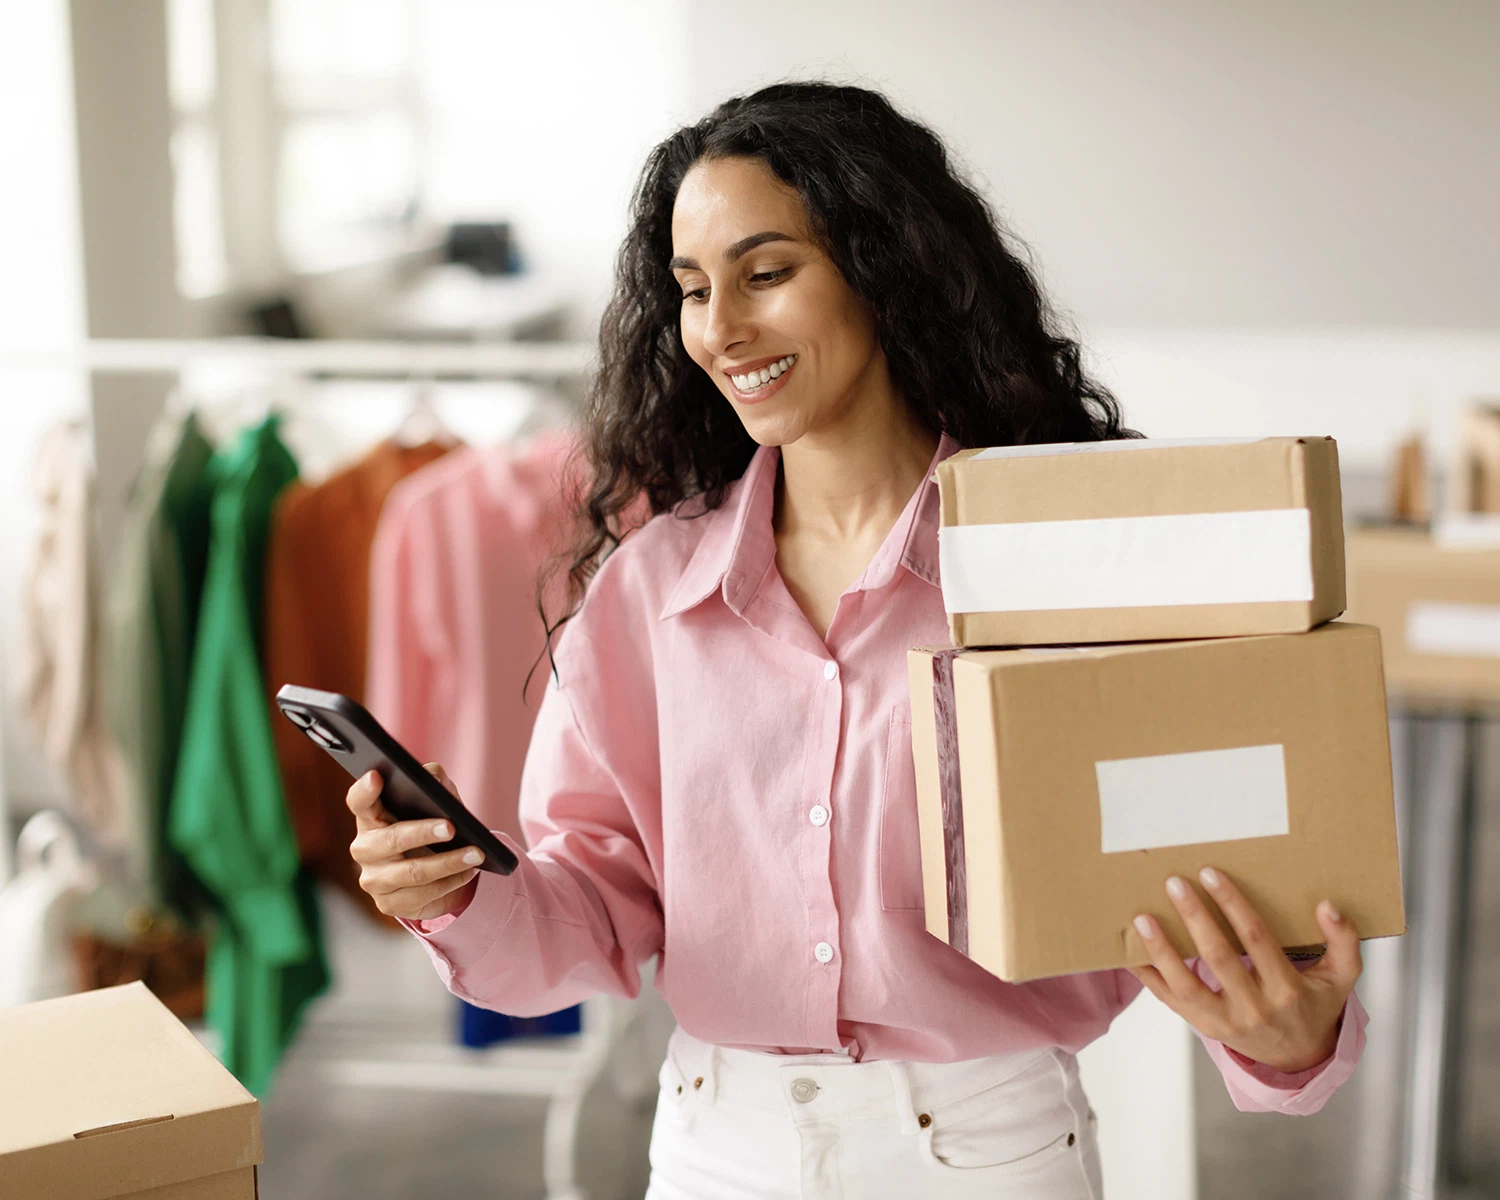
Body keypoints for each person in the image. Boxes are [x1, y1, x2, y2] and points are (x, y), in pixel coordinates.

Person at [345, 82, 1366, 1199]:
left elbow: (1200, 855)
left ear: (884, 268)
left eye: (766, 273)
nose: (722, 329)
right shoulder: (651, 590)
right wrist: (455, 890)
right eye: (692, 290)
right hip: (711, 1154)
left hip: (987, 1156)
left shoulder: (1068, 562)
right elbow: (592, 915)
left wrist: (1287, 1036)